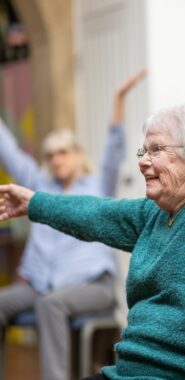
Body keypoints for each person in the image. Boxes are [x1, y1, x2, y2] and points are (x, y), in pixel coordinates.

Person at [0, 102, 185, 380]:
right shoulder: (156, 214)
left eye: (156, 150)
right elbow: (98, 214)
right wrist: (34, 202)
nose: (143, 161)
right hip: (130, 373)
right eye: (143, 151)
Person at [0, 69, 146, 380]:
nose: (57, 160)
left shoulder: (97, 184)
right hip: (42, 284)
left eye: (64, 152)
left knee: (50, 305)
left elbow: (114, 148)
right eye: (50, 154)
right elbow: (9, 151)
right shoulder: (38, 185)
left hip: (94, 286)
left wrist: (119, 100)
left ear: (79, 155)